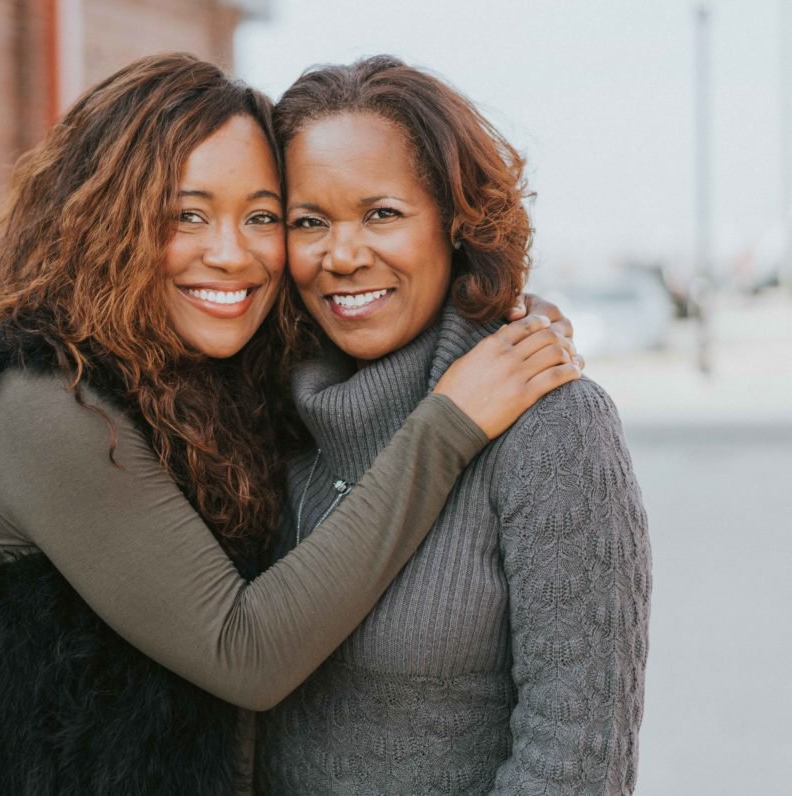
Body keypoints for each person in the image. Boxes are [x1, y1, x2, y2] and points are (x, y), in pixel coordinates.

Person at [0, 54, 581, 794]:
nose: (232, 255)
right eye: (187, 215)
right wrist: (449, 424)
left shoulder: (217, 375)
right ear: (104, 222)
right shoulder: (46, 401)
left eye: (262, 217)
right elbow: (243, 652)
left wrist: (500, 322)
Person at [255, 56, 651, 795]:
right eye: (309, 222)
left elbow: (575, 762)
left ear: (456, 221)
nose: (342, 255)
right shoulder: (261, 416)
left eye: (382, 214)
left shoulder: (553, 425)